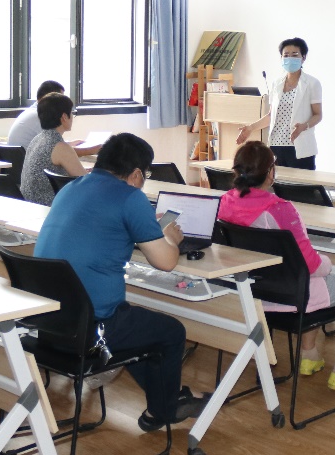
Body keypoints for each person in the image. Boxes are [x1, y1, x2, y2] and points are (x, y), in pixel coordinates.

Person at [34, 132, 207, 431]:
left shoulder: (70, 188)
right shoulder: (130, 197)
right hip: (93, 332)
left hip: (50, 326)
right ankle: (164, 409)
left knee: (137, 326)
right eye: (145, 176)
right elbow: (166, 262)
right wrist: (168, 237)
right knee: (171, 332)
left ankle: (162, 401)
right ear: (137, 174)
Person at [218, 140, 335, 390]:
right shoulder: (281, 210)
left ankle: (310, 355)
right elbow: (311, 266)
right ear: (270, 173)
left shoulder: (225, 203)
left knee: (315, 277)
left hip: (251, 291)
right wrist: (326, 263)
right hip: (290, 295)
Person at [236, 37, 323, 170]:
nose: (290, 58)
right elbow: (271, 116)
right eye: (286, 55)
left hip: (300, 146)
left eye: (295, 55)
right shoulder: (277, 84)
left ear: (303, 58)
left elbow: (318, 115)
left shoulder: (312, 83)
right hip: (276, 146)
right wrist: (251, 128)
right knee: (278, 182)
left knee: (301, 182)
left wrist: (304, 126)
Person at [20, 93, 87, 206]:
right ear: (64, 117)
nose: (72, 117)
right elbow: (87, 183)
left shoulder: (37, 139)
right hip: (49, 206)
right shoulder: (60, 146)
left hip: (29, 203)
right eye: (71, 113)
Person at [8, 80, 103, 155]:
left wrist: (68, 144)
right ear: (50, 98)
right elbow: (58, 152)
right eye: (60, 99)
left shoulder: (31, 112)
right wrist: (91, 150)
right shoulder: (40, 117)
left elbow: (50, 146)